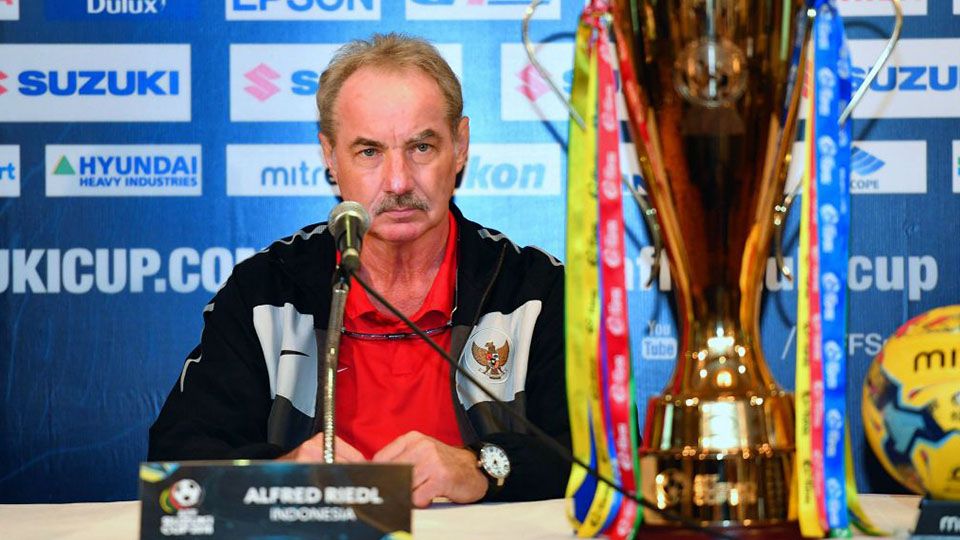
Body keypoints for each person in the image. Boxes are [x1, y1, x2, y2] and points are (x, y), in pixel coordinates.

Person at [148, 33, 569, 507]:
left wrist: (480, 467)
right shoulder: (265, 291)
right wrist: (281, 476)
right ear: (330, 157)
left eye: (422, 147)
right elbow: (178, 465)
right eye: (369, 151)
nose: (398, 181)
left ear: (461, 146)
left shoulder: (536, 291)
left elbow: (601, 461)